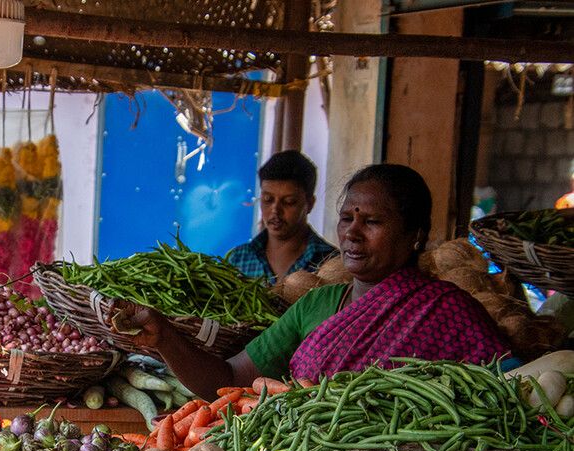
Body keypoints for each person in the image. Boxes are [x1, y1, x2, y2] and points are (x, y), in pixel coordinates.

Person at [111, 164, 517, 402]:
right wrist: (164, 335)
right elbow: (226, 381)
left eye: (372, 222)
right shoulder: (315, 305)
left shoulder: (447, 311)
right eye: (347, 218)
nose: (352, 233)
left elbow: (516, 389)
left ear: (414, 234)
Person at [225, 150, 336, 283]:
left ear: (310, 204)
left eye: (289, 202)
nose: (275, 210)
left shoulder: (331, 263)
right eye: (268, 199)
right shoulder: (239, 259)